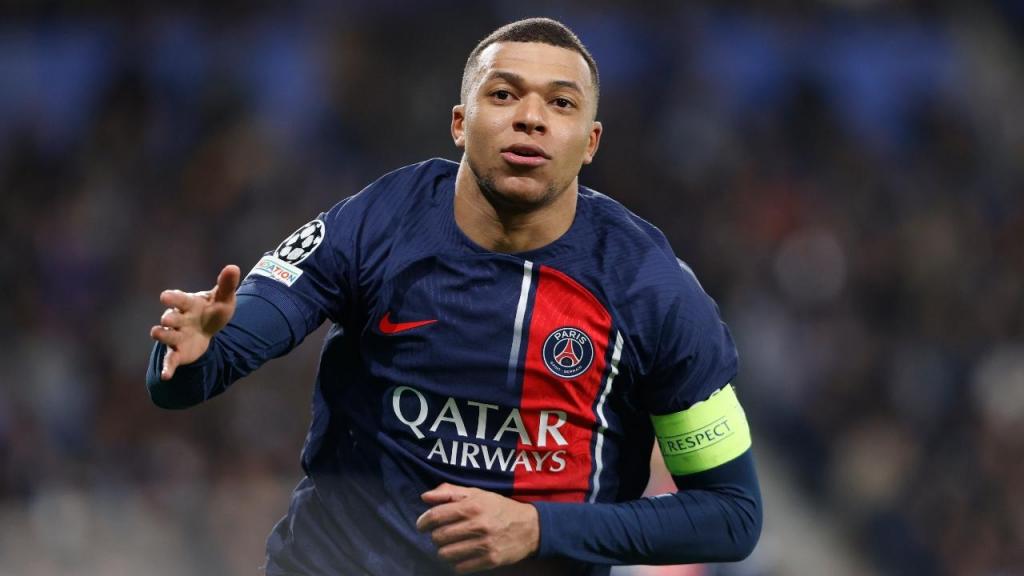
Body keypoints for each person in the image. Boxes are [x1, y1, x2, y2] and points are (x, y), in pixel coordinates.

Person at [147, 17, 762, 576]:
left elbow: (732, 515)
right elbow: (188, 378)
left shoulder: (652, 289)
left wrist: (541, 528)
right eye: (504, 94)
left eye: (561, 103)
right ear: (460, 124)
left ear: (591, 141)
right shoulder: (377, 224)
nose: (531, 117)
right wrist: (192, 350)